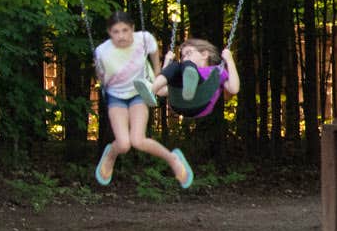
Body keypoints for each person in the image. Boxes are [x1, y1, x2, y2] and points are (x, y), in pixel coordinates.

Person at [91, 10, 190, 190]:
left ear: (132, 29)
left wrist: (158, 75)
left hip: (139, 91)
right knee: (123, 144)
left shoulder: (144, 39)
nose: (121, 36)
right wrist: (100, 75)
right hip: (116, 96)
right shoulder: (102, 52)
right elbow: (101, 79)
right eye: (115, 32)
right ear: (109, 32)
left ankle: (173, 160)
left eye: (125, 30)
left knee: (138, 140)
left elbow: (154, 54)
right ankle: (110, 156)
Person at [163, 36, 239, 125]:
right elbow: (162, 90)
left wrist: (230, 60)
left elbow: (234, 88)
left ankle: (192, 87)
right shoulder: (181, 71)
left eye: (188, 53)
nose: (184, 58)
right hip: (179, 104)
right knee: (174, 71)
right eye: (183, 56)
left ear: (204, 54)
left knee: (186, 69)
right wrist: (167, 61)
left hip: (202, 102)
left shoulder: (216, 71)